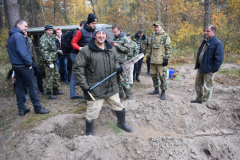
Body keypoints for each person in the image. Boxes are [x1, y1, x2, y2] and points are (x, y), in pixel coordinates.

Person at [73, 26, 132, 136]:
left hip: (111, 86)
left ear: (106, 35)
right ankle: (89, 132)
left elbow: (114, 62)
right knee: (92, 112)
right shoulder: (86, 50)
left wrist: (117, 68)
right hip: (95, 88)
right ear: (95, 35)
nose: (101, 36)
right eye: (98, 33)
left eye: (103, 34)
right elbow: (78, 68)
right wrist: (85, 86)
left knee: (118, 106)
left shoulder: (111, 49)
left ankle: (121, 123)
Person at [7, 19, 50, 116]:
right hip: (23, 65)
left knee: (20, 87)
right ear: (18, 25)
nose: (26, 28)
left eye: (27, 26)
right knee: (32, 86)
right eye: (25, 26)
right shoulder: (18, 36)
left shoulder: (11, 36)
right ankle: (38, 108)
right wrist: (29, 64)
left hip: (15, 65)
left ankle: (21, 109)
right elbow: (23, 52)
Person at [191, 25, 224, 104]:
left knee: (207, 87)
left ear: (213, 31)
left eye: (208, 31)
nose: (206, 33)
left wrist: (213, 70)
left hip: (209, 69)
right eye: (205, 31)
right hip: (201, 67)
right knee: (198, 84)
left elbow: (219, 59)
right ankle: (199, 99)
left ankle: (205, 103)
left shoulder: (217, 43)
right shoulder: (205, 41)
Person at [70, 14, 97, 99]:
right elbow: (73, 42)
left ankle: (88, 93)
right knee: (76, 74)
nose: (94, 25)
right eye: (93, 23)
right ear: (88, 23)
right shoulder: (81, 31)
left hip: (88, 56)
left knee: (88, 74)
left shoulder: (95, 31)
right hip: (76, 55)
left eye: (95, 23)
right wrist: (79, 48)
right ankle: (73, 94)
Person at [147, 21, 172, 100]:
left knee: (162, 77)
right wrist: (148, 56)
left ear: (161, 27)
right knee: (154, 76)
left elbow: (169, 48)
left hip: (161, 61)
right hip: (153, 60)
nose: (156, 28)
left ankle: (163, 92)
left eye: (157, 27)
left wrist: (166, 58)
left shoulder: (165, 36)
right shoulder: (152, 37)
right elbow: (150, 48)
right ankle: (156, 90)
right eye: (155, 27)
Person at [40, 24, 63, 99]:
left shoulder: (51, 37)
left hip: (53, 60)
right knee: (49, 77)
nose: (51, 31)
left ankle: (55, 90)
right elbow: (44, 52)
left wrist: (58, 51)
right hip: (48, 62)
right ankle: (49, 93)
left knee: (56, 75)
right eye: (49, 30)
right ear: (46, 30)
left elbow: (52, 49)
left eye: (51, 30)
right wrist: (49, 62)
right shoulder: (44, 39)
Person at [111, 24, 132, 100]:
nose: (114, 33)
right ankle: (120, 94)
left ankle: (129, 96)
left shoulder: (125, 38)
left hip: (122, 62)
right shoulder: (114, 38)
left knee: (124, 80)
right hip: (115, 62)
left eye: (115, 32)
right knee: (117, 80)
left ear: (119, 30)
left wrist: (118, 46)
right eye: (113, 32)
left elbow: (128, 50)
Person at [23, 31, 47, 98]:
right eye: (23, 32)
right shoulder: (20, 40)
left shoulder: (29, 39)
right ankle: (25, 93)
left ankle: (41, 91)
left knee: (39, 74)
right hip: (23, 63)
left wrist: (35, 62)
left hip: (30, 61)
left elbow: (33, 51)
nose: (25, 33)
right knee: (25, 77)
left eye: (25, 32)